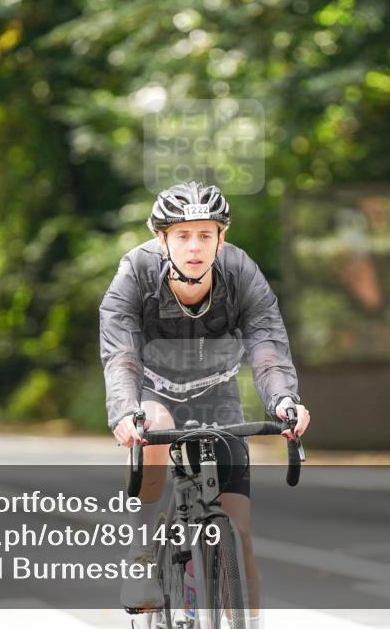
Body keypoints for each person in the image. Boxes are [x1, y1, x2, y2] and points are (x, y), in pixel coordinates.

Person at [99, 182, 310, 627]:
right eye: (182, 235)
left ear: (221, 238)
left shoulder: (240, 272)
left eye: (205, 235)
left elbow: (267, 341)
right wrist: (124, 411)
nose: (194, 247)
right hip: (154, 392)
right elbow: (120, 351)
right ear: (163, 239)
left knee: (241, 531)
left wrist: (284, 400)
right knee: (152, 421)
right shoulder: (135, 271)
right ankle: (143, 554)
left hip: (218, 395)